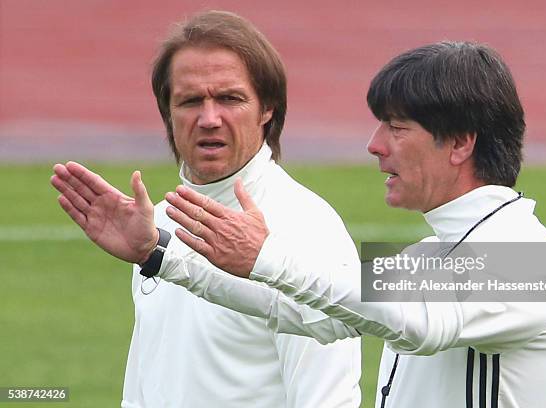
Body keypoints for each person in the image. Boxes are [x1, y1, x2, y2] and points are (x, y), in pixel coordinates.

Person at [160, 41, 546, 407]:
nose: (374, 145)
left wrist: (267, 256)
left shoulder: (535, 264)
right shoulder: (431, 255)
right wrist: (159, 256)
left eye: (396, 127)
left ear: (459, 142)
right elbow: (308, 313)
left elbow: (420, 325)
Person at [50, 10, 361, 408]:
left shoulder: (306, 228)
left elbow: (327, 401)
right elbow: (147, 383)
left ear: (267, 108)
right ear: (168, 113)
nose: (209, 119)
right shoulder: (156, 224)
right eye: (190, 101)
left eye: (230, 99)